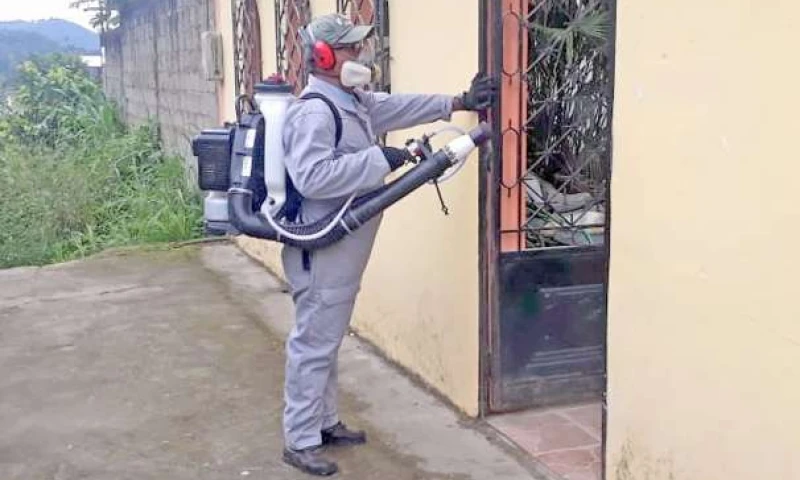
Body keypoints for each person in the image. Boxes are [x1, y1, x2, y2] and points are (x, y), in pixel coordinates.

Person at [279, 13, 497, 476]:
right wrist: (379, 159)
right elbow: (312, 178)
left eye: (360, 46)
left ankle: (324, 423)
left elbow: (397, 106)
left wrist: (458, 101)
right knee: (314, 343)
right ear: (323, 56)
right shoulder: (317, 110)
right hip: (322, 247)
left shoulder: (350, 101)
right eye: (350, 49)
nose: (360, 54)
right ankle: (299, 440)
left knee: (326, 338)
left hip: (343, 248)